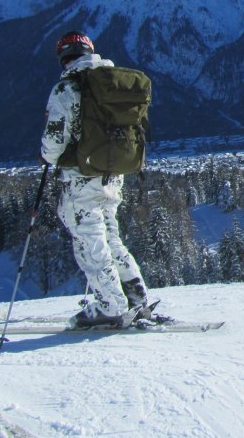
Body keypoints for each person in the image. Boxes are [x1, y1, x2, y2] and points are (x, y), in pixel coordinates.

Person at [40, 31, 151, 328]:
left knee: (89, 240)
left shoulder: (67, 89)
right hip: (113, 174)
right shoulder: (110, 84)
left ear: (64, 57)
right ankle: (135, 294)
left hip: (81, 176)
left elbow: (53, 145)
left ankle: (111, 305)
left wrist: (47, 156)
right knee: (110, 235)